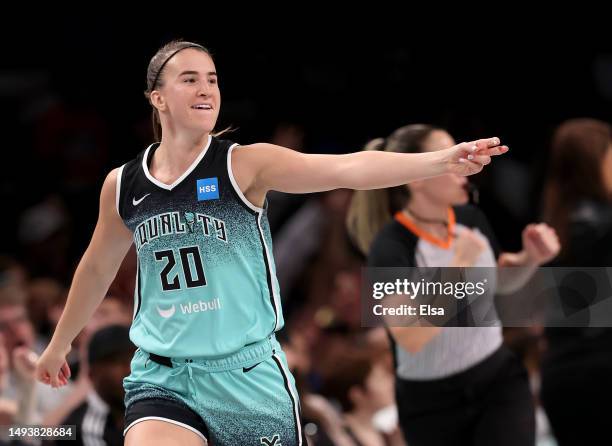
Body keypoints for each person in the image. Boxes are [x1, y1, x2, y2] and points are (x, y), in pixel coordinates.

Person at [35, 40, 507, 446]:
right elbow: (96, 268)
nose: (206, 89)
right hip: (164, 373)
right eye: (190, 79)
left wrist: (441, 161)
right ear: (156, 97)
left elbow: (347, 169)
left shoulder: (244, 166)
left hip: (247, 374)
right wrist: (58, 346)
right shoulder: (123, 184)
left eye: (213, 80)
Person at [347, 124, 559, 446]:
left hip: (496, 378)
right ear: (417, 177)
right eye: (452, 158)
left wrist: (530, 258)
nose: (467, 166)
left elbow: (497, 282)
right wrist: (458, 266)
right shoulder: (389, 247)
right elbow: (410, 334)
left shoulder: (470, 217)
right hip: (433, 404)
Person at [540, 118, 612, 446]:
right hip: (597, 375)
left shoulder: (557, 224)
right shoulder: (597, 228)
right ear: (594, 163)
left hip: (563, 376)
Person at [56, 324, 135, 446]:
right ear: (92, 373)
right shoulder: (83, 429)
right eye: (117, 361)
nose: (129, 369)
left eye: (134, 359)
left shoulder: (149, 408)